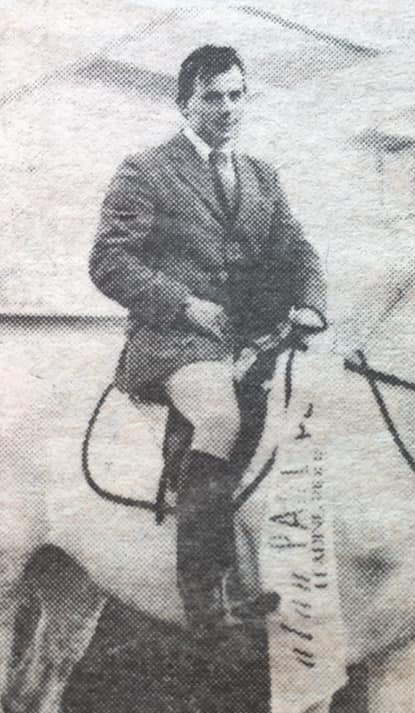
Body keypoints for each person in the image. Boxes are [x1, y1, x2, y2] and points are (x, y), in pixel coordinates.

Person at [89, 45, 326, 632]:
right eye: (212, 97)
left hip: (246, 337)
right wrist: (185, 304)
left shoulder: (261, 175)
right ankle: (205, 592)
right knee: (220, 419)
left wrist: (312, 303)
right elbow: (108, 261)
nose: (226, 108)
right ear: (184, 102)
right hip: (171, 341)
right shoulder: (146, 171)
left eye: (235, 95)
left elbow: (297, 250)